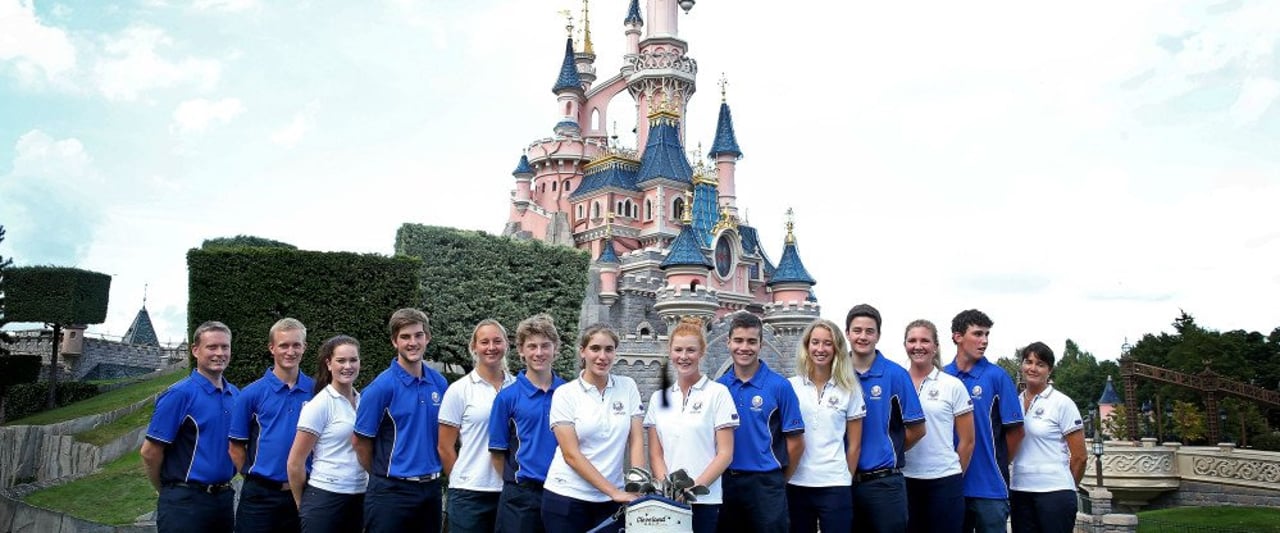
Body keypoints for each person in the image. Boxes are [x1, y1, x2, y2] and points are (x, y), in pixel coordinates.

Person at [353, 308, 450, 533]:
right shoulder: (381, 388)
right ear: (394, 342)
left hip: (432, 489)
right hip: (391, 492)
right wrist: (383, 476)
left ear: (428, 338)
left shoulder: (440, 383)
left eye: (418, 335)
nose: (412, 342)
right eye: (405, 337)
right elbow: (360, 443)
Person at [542, 323, 645, 532]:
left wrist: (636, 485)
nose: (602, 356)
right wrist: (614, 492)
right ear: (583, 352)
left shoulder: (628, 386)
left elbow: (635, 440)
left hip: (612, 500)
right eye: (595, 348)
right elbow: (571, 454)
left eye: (609, 349)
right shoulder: (565, 394)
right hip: (566, 497)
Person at [141, 321, 240, 533]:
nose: (219, 353)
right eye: (212, 347)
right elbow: (150, 452)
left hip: (223, 501)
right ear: (195, 350)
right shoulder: (179, 395)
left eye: (225, 347)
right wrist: (168, 490)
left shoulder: (236, 396)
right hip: (184, 504)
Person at [644, 317, 738, 533]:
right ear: (670, 352)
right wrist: (670, 490)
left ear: (701, 353)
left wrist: (692, 489)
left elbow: (725, 454)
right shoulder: (659, 398)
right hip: (668, 501)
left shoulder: (718, 394)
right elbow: (656, 455)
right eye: (678, 350)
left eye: (690, 350)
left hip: (705, 500)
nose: (684, 356)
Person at [716, 312, 805, 533]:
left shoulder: (780, 386)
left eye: (751, 341)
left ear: (761, 345)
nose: (744, 347)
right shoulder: (718, 388)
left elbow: (796, 442)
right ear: (728, 342)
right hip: (727, 482)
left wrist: (777, 480)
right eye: (738, 340)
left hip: (766, 484)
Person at [845, 303, 926, 533]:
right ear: (847, 333)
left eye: (869, 331)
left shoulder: (895, 374)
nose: (863, 336)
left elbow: (918, 428)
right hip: (842, 481)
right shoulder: (836, 373)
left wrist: (889, 448)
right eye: (857, 330)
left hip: (885, 484)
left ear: (878, 335)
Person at [229, 317, 315, 533]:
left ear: (304, 347)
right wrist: (255, 476)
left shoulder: (318, 392)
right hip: (260, 498)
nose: (290, 351)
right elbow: (236, 447)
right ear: (272, 348)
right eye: (284, 345)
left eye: (296, 345)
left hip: (306, 492)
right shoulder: (251, 394)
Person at [942, 309, 1024, 533]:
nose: (984, 341)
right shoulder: (942, 377)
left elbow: (1016, 432)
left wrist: (995, 462)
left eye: (987, 334)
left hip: (990, 489)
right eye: (978, 334)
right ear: (957, 337)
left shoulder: (997, 377)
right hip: (951, 486)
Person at [488, 314, 568, 533]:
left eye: (545, 346)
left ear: (555, 349)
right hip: (521, 497)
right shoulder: (507, 397)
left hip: (564, 492)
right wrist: (517, 483)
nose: (539, 353)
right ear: (521, 351)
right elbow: (497, 453)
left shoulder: (569, 393)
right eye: (532, 346)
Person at [786, 318, 865, 533]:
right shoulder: (790, 386)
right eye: (815, 342)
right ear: (807, 346)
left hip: (835, 485)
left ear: (837, 348)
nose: (820, 349)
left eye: (827, 343)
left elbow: (855, 444)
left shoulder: (850, 389)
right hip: (797, 483)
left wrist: (844, 477)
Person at [438, 319, 516, 533]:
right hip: (469, 493)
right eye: (484, 342)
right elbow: (445, 446)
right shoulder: (459, 390)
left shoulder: (519, 387)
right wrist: (461, 477)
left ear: (506, 345)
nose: (491, 347)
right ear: (474, 347)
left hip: (510, 491)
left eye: (497, 341)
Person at [287, 335, 367, 533]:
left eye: (353, 360)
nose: (348, 366)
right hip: (325, 499)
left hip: (359, 496)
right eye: (341, 360)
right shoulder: (319, 405)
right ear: (329, 364)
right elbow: (295, 463)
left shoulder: (364, 401)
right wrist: (301, 503)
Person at [902, 319, 975, 533]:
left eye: (925, 340)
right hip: (904, 479)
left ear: (935, 346)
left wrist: (950, 474)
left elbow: (968, 441)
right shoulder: (897, 381)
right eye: (912, 340)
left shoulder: (952, 385)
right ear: (905, 345)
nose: (918, 346)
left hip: (944, 482)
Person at [1009, 342, 1086, 533]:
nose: (1033, 368)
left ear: (1049, 370)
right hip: (1020, 490)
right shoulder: (1013, 402)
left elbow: (1080, 456)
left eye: (1040, 364)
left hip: (1054, 493)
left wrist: (1066, 486)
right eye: (1029, 362)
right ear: (1022, 365)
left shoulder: (1062, 403)